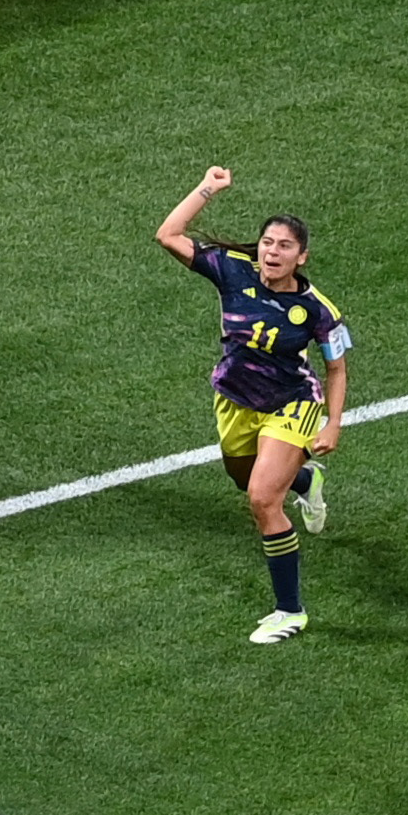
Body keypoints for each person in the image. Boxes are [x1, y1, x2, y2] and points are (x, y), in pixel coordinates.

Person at [156, 166, 346, 644]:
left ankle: (290, 611)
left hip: (291, 404)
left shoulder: (318, 310)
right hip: (235, 399)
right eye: (267, 242)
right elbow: (168, 234)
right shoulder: (231, 270)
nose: (272, 252)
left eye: (284, 246)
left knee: (263, 499)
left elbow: (337, 370)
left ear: (302, 256)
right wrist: (208, 188)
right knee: (244, 479)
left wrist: (333, 425)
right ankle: (305, 479)